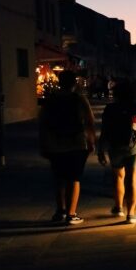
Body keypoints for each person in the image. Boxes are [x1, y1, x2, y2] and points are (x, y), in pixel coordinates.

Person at [38, 70, 96, 224]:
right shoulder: (79, 99)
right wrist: (91, 141)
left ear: (59, 82)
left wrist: (44, 143)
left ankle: (60, 211)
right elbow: (90, 121)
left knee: (59, 179)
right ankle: (71, 214)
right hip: (76, 143)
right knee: (74, 178)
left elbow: (42, 122)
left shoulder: (50, 100)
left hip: (55, 144)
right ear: (74, 83)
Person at [98, 81, 136, 224]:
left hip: (115, 147)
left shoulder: (110, 109)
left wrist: (101, 150)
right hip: (134, 148)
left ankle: (118, 207)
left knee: (118, 178)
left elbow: (104, 131)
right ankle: (131, 214)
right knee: (132, 180)